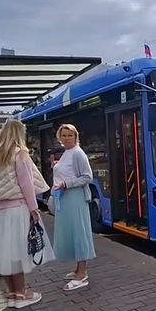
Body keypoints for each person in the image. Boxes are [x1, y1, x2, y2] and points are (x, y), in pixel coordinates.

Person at [0, 120, 53, 309]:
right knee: (18, 253)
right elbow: (26, 183)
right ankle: (22, 295)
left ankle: (12, 294)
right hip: (18, 208)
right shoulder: (20, 153)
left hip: (0, 210)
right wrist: (34, 208)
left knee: (5, 253)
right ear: (19, 133)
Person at [52, 124, 97, 292]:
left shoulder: (78, 153)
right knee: (72, 232)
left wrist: (67, 184)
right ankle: (79, 269)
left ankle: (82, 274)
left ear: (76, 136)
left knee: (79, 232)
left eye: (70, 135)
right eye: (63, 135)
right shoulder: (67, 153)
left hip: (75, 197)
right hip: (66, 198)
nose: (66, 138)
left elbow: (88, 177)